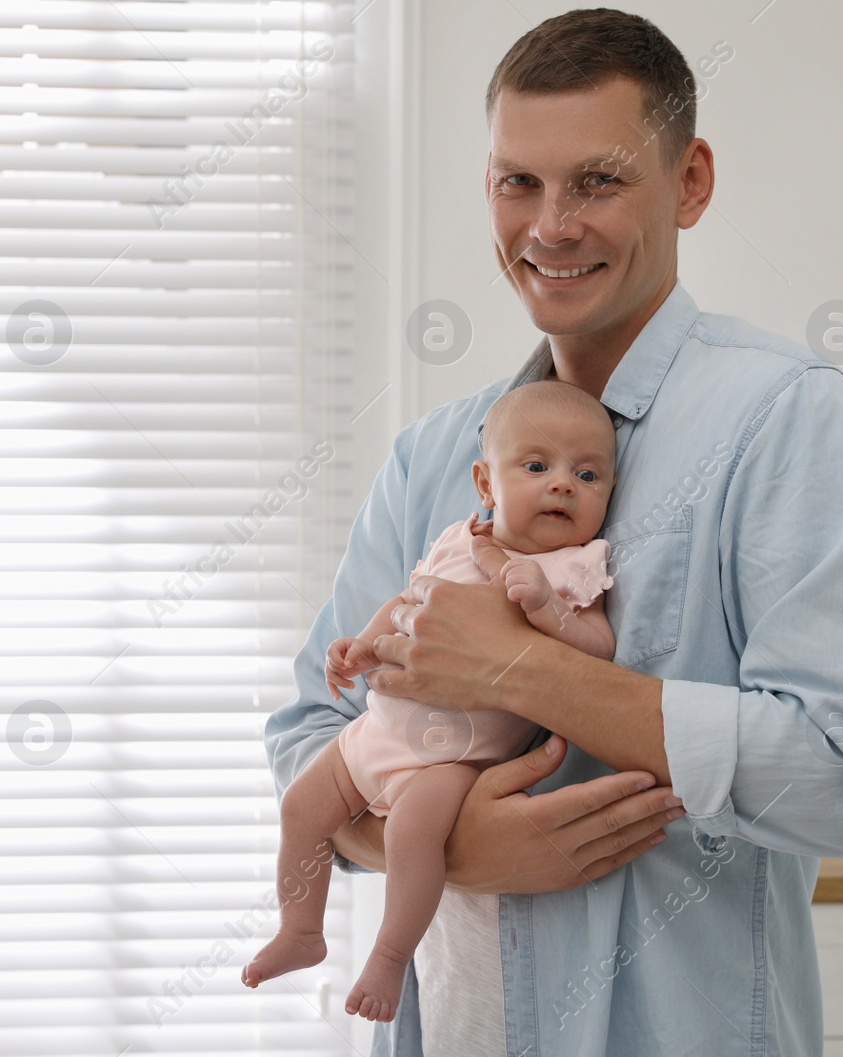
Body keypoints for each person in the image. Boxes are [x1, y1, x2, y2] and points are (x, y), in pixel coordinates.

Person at [264, 8, 843, 1057]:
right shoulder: (435, 453)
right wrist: (446, 845)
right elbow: (309, 732)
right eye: (518, 181)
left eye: (597, 182)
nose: (550, 226)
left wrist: (522, 668)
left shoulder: (788, 419)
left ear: (690, 183)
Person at [242, 381, 618, 1021]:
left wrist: (548, 610)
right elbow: (407, 602)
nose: (563, 485)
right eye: (537, 467)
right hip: (378, 733)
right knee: (302, 805)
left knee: (414, 836)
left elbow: (599, 647)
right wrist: (364, 645)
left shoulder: (573, 567)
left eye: (588, 475)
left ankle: (389, 957)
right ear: (486, 484)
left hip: (452, 761)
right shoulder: (456, 539)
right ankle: (300, 930)